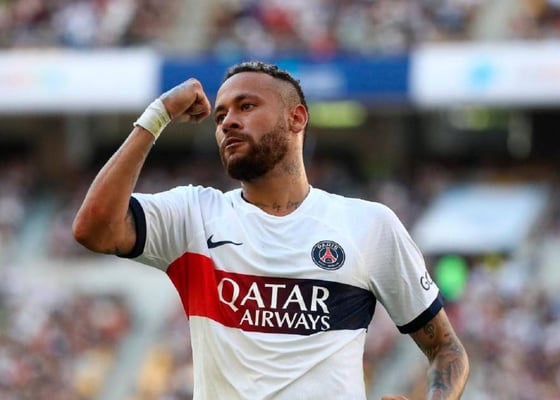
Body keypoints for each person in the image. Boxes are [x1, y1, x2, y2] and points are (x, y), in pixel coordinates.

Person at [73, 61, 469, 399]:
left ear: (296, 118)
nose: (229, 122)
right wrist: (158, 114)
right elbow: (94, 229)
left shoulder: (368, 224)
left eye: (246, 106)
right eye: (220, 116)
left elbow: (447, 350)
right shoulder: (193, 215)